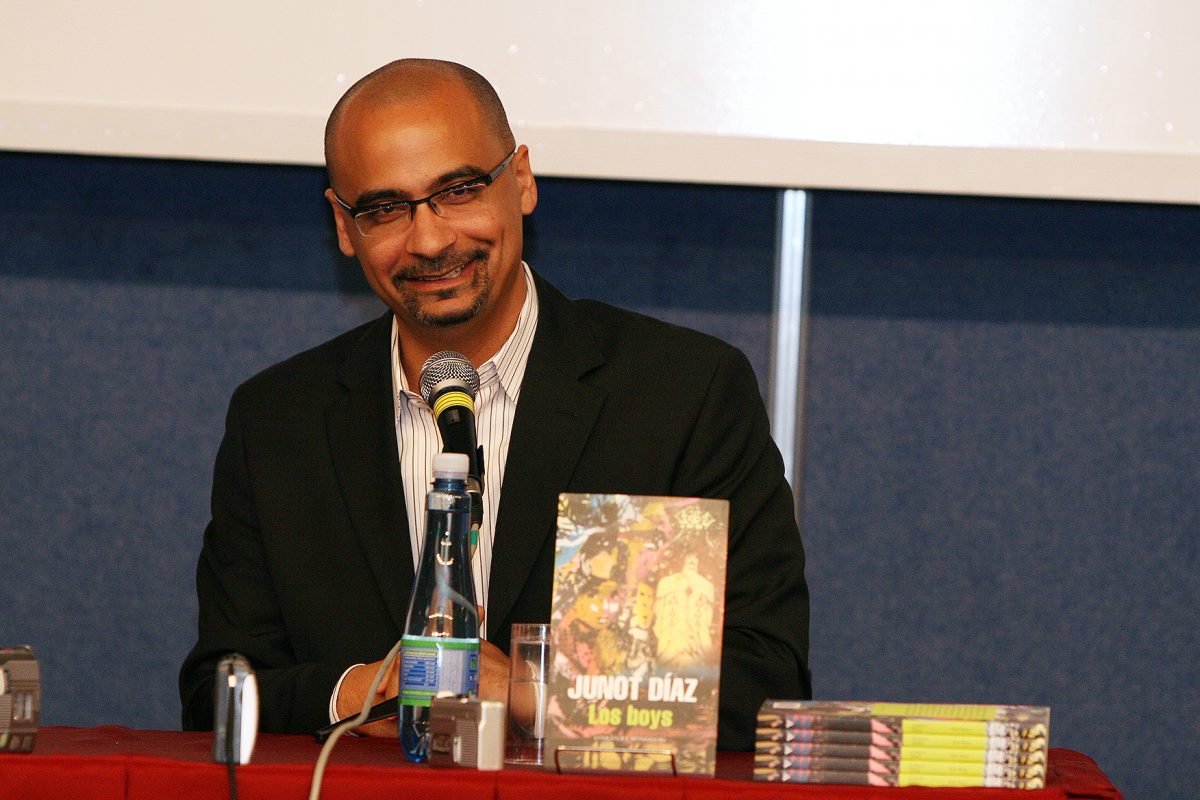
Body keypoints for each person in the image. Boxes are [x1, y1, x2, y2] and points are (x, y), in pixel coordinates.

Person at [179, 58, 810, 750]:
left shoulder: (681, 395)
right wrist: (372, 688)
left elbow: (765, 687)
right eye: (385, 209)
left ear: (522, 180)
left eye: (458, 190)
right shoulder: (279, 422)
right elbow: (219, 691)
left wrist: (528, 692)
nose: (429, 239)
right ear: (342, 225)